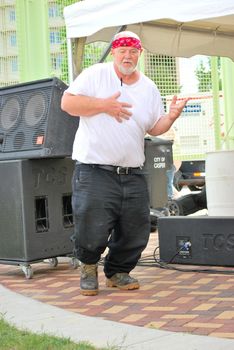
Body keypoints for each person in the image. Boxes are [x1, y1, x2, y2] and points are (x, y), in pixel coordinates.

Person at [61, 31, 189, 296]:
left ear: (139, 54)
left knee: (137, 226)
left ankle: (118, 270)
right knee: (92, 225)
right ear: (114, 53)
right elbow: (68, 103)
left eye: (133, 51)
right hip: (95, 169)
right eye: (122, 50)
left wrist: (172, 116)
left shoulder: (149, 88)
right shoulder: (96, 74)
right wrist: (103, 105)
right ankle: (87, 267)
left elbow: (155, 126)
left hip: (132, 172)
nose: (128, 56)